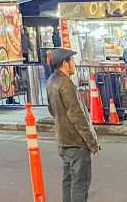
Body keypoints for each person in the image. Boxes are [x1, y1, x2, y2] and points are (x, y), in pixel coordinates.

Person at [46, 48, 99, 202]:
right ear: (65, 63)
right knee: (80, 184)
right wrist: (91, 142)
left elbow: (52, 110)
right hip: (76, 142)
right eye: (72, 61)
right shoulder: (66, 84)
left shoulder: (51, 81)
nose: (74, 64)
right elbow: (77, 116)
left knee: (68, 181)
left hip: (63, 140)